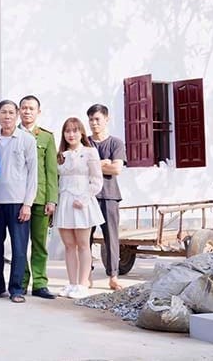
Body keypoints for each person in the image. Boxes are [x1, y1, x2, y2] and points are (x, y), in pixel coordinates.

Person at [0, 100, 37, 303]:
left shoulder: (26, 140)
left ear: (17, 115)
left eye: (11, 113)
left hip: (18, 201)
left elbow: (33, 175)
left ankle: (17, 289)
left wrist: (28, 203)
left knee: (19, 246)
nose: (7, 116)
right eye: (3, 112)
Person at [53, 117, 105, 299]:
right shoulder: (60, 155)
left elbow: (97, 180)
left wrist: (84, 198)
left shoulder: (90, 152)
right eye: (67, 131)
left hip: (82, 202)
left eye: (75, 130)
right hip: (64, 200)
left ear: (81, 132)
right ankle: (72, 282)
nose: (71, 134)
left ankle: (83, 284)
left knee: (83, 245)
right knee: (68, 245)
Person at [18, 95, 59, 300]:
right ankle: (21, 281)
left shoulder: (46, 137)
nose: (27, 112)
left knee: (39, 242)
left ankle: (40, 283)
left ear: (38, 112)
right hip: (17, 197)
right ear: (19, 111)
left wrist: (52, 199)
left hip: (40, 197)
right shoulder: (12, 134)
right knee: (19, 243)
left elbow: (51, 170)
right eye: (24, 108)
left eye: (31, 108)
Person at [87, 104, 127, 291]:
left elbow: (117, 169)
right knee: (84, 237)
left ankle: (113, 275)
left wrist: (93, 164)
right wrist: (103, 163)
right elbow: (79, 167)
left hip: (109, 195)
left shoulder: (116, 143)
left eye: (97, 119)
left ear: (106, 119)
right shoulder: (85, 142)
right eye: (91, 120)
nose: (94, 123)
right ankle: (86, 274)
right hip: (87, 196)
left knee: (111, 236)